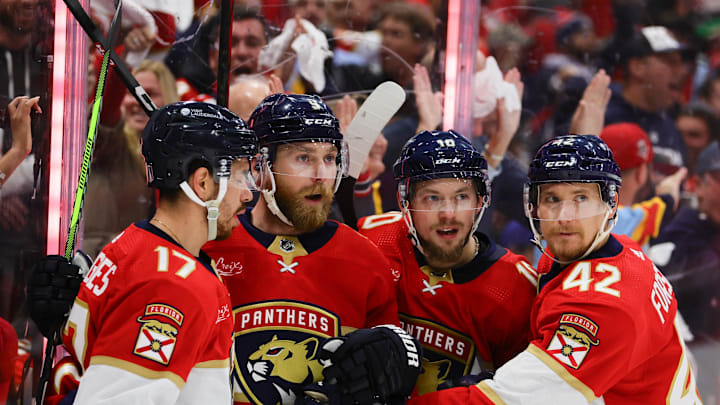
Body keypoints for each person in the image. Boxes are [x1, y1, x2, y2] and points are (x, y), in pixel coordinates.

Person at [331, 134, 702, 404]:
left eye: (581, 199)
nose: (564, 217)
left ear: (610, 205)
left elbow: (511, 400)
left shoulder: (605, 305)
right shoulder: (590, 252)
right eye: (552, 199)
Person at [29, 101, 259, 404]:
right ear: (202, 183)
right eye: (240, 176)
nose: (247, 193)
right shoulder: (173, 285)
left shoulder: (134, 242)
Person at [202, 93, 400, 405]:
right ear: (260, 167)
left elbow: (386, 382)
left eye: (330, 158)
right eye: (304, 158)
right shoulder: (211, 249)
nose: (321, 175)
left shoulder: (365, 260)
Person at [357, 130, 537, 396]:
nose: (448, 214)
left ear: (480, 201)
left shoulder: (515, 286)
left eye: (461, 197)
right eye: (432, 198)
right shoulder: (374, 241)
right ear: (405, 202)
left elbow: (528, 393)